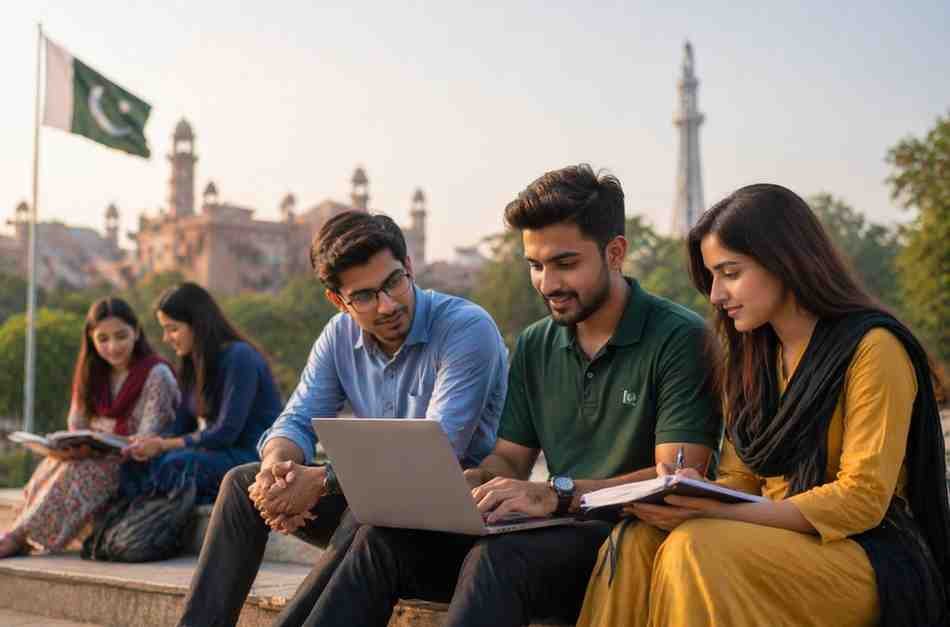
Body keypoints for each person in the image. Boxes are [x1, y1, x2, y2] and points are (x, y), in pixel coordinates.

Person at [296, 164, 721, 627]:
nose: (547, 283)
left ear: (615, 252)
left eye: (565, 263)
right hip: (549, 533)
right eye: (536, 266)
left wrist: (555, 495)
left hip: (628, 540)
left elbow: (680, 477)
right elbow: (510, 462)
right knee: (381, 538)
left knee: (498, 558)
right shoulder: (538, 344)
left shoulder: (679, 337)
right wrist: (469, 485)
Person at [577, 184, 950, 627]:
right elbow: (742, 479)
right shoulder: (753, 357)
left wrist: (719, 511)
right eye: (712, 277)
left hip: (866, 553)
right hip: (772, 538)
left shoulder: (873, 348)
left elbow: (862, 499)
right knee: (636, 540)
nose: (715, 295)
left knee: (697, 544)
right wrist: (693, 489)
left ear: (785, 262)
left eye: (730, 273)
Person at [177, 211, 509, 627]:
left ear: (408, 268)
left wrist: (321, 480)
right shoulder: (339, 335)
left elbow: (434, 452)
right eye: (365, 296)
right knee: (242, 483)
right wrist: (276, 474)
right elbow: (297, 418)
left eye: (392, 283)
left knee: (369, 508)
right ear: (339, 300)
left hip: (450, 524)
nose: (387, 305)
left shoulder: (465, 328)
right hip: (375, 512)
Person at [0, 297, 179, 558]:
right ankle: (20, 533)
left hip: (134, 462)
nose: (113, 346)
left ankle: (19, 536)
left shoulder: (156, 374)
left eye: (121, 336)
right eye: (103, 339)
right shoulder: (92, 373)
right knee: (55, 464)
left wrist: (106, 443)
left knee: (81, 472)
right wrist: (71, 447)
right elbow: (76, 424)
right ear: (91, 340)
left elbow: (151, 433)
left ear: (136, 333)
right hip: (94, 456)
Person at [120, 282, 283, 506]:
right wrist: (146, 444)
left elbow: (225, 433)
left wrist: (163, 445)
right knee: (133, 466)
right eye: (164, 329)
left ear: (198, 325)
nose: (166, 338)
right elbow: (180, 426)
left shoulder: (239, 357)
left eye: (173, 328)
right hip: (216, 452)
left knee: (175, 466)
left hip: (250, 456)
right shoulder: (193, 363)